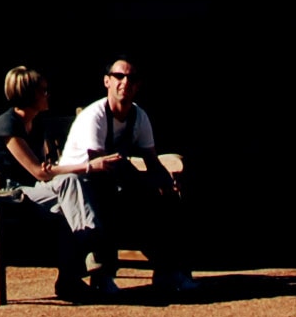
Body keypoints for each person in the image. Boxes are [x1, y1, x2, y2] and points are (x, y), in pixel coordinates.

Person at [56, 57, 193, 299]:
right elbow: (101, 164)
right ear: (107, 81)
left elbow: (151, 160)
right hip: (79, 183)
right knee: (113, 200)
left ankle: (169, 272)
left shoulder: (139, 116)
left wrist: (166, 184)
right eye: (119, 76)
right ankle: (102, 276)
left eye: (131, 78)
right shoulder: (94, 116)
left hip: (116, 179)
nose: (125, 82)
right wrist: (143, 185)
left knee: (169, 202)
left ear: (138, 85)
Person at [0, 66, 89, 298]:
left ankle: (73, 273)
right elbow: (37, 171)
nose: (48, 95)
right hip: (5, 196)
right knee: (69, 192)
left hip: (30, 191)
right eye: (43, 91)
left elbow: (43, 169)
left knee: (70, 194)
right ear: (29, 95)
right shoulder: (7, 125)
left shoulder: (36, 123)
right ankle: (89, 250)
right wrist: (88, 166)